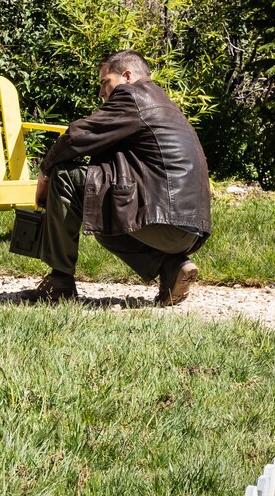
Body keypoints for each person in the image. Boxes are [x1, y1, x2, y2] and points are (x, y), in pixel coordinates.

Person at [18, 50, 211, 305]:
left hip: (165, 220)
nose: (101, 92)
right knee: (99, 216)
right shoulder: (163, 102)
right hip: (190, 228)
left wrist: (44, 174)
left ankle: (59, 283)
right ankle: (171, 267)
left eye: (104, 82)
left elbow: (77, 136)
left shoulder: (132, 96)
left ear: (127, 76)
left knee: (66, 175)